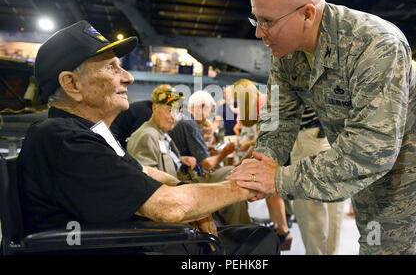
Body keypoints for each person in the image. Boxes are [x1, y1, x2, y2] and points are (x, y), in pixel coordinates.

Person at [227, 0, 416, 255]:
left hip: (402, 170)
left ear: (307, 14)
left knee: (383, 247)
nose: (258, 33)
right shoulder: (286, 52)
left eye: (267, 22)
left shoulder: (376, 45)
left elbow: (372, 148)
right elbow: (280, 116)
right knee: (369, 239)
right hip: (354, 156)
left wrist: (278, 179)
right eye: (256, 20)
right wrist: (262, 164)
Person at [16, 20, 279, 255]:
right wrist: (252, 183)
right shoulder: (63, 139)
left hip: (133, 240)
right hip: (128, 246)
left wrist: (185, 195)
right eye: (111, 67)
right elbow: (168, 209)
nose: (128, 77)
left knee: (251, 237)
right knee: (258, 241)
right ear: (71, 84)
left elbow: (145, 173)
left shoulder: (86, 133)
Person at [127, 85, 252, 225]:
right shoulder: (148, 135)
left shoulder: (159, 133)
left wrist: (179, 160)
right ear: (155, 108)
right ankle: (241, 232)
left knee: (231, 175)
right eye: (170, 111)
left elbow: (158, 159)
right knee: (231, 179)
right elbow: (145, 180)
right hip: (177, 191)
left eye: (178, 112)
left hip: (183, 181)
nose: (174, 118)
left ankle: (241, 228)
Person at [168, 90, 252, 225]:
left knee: (231, 172)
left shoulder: (184, 121)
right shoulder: (190, 125)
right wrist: (224, 152)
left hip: (181, 174)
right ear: (201, 106)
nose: (210, 115)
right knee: (234, 174)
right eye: (210, 110)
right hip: (190, 178)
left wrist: (208, 151)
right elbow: (208, 164)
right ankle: (241, 226)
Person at [232, 79, 292, 250]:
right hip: (279, 147)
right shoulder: (261, 103)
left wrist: (244, 160)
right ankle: (280, 228)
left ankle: (282, 230)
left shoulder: (263, 105)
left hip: (280, 149)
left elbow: (266, 140)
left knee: (272, 191)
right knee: (272, 193)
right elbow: (260, 139)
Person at [290, 105, 345, 255]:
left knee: (309, 212)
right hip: (337, 134)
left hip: (309, 136)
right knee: (334, 207)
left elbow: (275, 108)